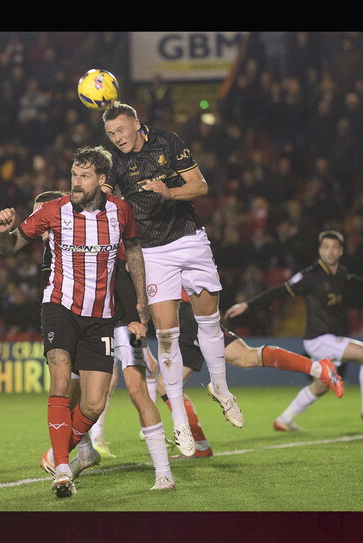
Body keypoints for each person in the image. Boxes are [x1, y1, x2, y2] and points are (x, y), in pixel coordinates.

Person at [0, 147, 150, 498]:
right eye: (73, 176)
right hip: (60, 306)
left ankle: (70, 448)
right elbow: (12, 245)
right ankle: (62, 467)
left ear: (101, 180)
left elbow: (135, 252)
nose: (76, 183)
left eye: (83, 177)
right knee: (61, 376)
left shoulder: (121, 212)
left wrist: (141, 301)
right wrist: (4, 232)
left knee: (93, 404)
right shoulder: (54, 210)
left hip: (101, 317)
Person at [101, 101, 243, 458]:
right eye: (111, 133)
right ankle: (179, 420)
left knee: (209, 320)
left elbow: (200, 185)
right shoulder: (114, 163)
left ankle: (221, 389)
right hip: (152, 251)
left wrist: (170, 191)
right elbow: (105, 196)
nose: (117, 138)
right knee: (166, 334)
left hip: (189, 237)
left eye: (121, 130)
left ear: (136, 123)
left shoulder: (167, 142)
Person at [33, 189, 175, 489]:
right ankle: (84, 451)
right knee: (73, 392)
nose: (39, 220)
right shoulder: (55, 249)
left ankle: (163, 471)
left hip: (117, 317)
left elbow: (123, 271)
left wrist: (136, 317)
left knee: (136, 390)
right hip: (81, 321)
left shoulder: (98, 230)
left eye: (41, 213)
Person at [139, 289, 344, 458]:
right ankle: (200, 445)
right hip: (180, 317)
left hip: (186, 315)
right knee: (165, 386)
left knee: (246, 357)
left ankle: (319, 368)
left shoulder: (150, 247)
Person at [224, 230, 363, 429]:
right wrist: (248, 304)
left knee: (320, 387)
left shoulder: (340, 274)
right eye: (326, 247)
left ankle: (284, 420)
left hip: (330, 338)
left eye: (334, 247)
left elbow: (362, 286)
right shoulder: (311, 276)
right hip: (318, 338)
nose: (330, 251)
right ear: (320, 250)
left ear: (341, 250)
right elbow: (280, 290)